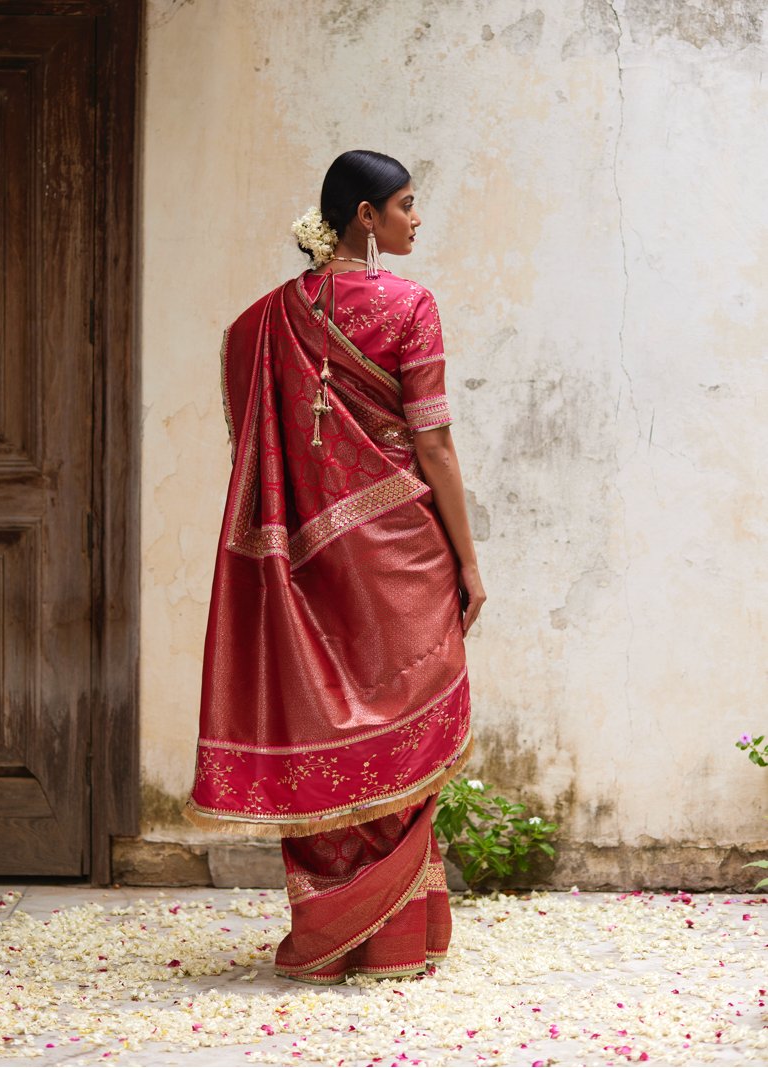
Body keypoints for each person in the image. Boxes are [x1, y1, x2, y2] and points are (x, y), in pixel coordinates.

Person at [184, 150, 487, 984]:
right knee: (405, 719)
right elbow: (433, 441)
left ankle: (332, 933)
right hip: (403, 554)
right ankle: (390, 941)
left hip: (308, 552)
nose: (416, 220)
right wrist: (468, 560)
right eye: (407, 205)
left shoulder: (267, 319)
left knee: (325, 715)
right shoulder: (410, 306)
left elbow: (259, 439)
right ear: (365, 216)